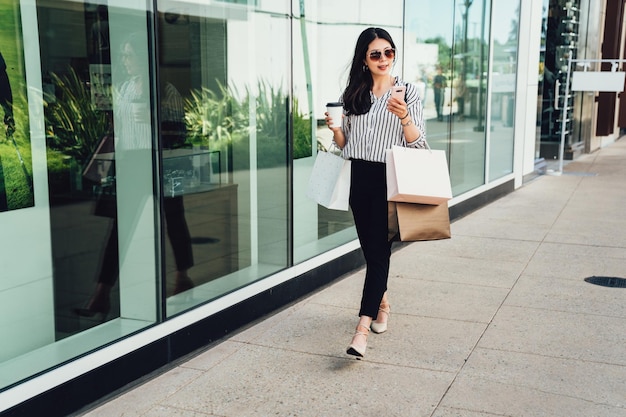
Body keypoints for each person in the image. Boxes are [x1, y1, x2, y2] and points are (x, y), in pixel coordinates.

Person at [75, 33, 194, 320]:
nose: (125, 61)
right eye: (124, 55)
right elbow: (118, 129)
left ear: (143, 57)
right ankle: (102, 292)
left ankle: (183, 276)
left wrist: (157, 118)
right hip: (132, 164)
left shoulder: (166, 91)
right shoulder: (126, 90)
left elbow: (180, 134)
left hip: (160, 163)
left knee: (174, 219)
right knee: (120, 229)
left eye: (130, 55)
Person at [325, 27, 426, 358]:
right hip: (359, 179)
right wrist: (337, 129)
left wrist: (405, 117)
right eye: (376, 54)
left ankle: (362, 331)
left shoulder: (407, 92)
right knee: (372, 254)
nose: (384, 59)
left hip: (390, 178)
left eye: (389, 52)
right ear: (364, 60)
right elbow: (345, 148)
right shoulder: (353, 94)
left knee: (380, 255)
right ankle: (382, 303)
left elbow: (419, 144)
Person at [0, 52, 15, 138]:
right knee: (7, 106)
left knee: (7, 106)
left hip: (1, 74)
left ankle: (9, 127)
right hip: (1, 74)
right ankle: (9, 126)